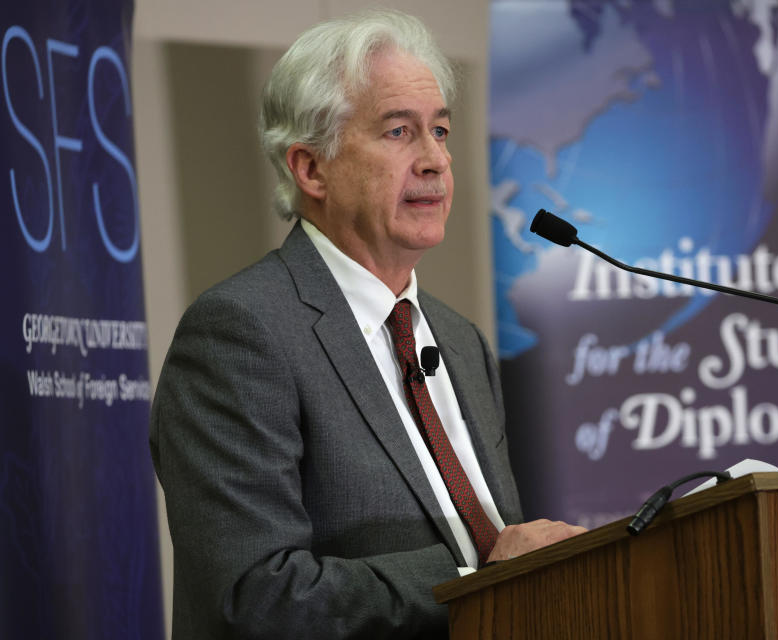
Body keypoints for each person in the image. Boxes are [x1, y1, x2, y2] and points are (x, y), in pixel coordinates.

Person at [150, 9, 586, 639]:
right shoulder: (238, 335)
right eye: (398, 132)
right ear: (311, 168)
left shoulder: (460, 343)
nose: (436, 159)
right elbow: (255, 597)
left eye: (440, 131)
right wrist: (478, 572)